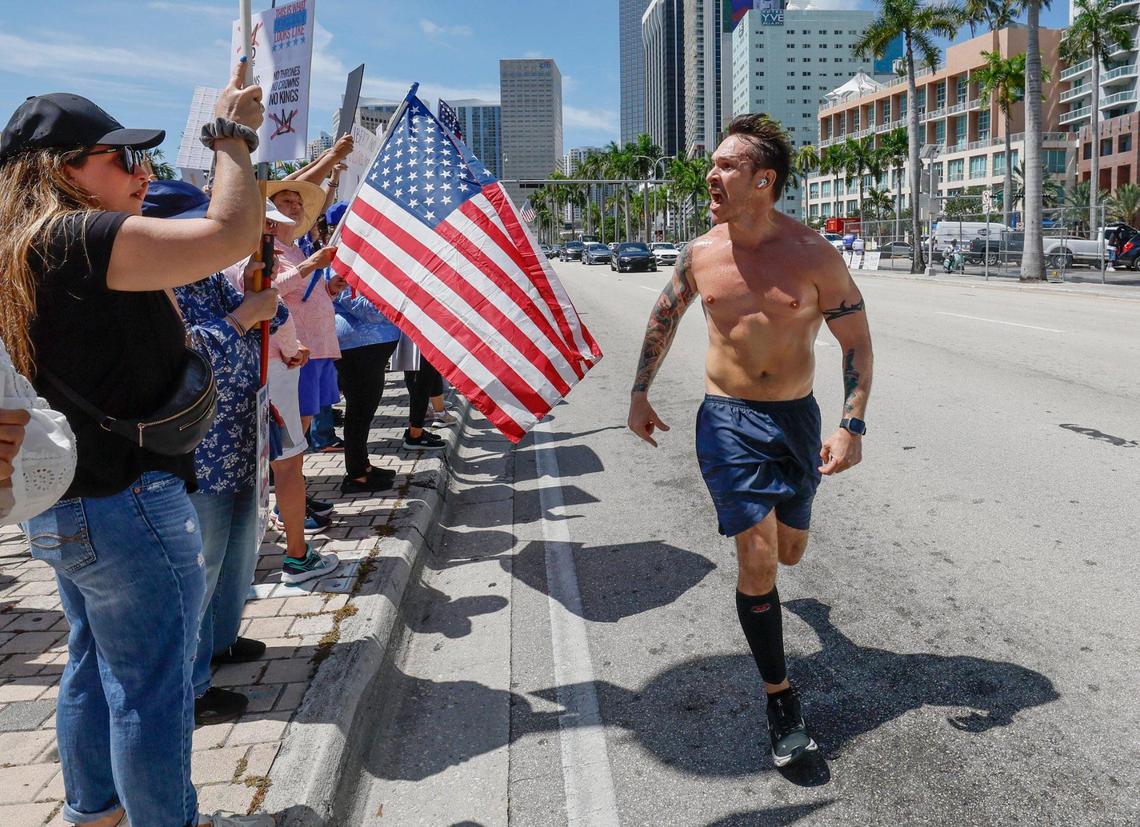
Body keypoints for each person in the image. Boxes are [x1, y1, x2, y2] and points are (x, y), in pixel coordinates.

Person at [0, 61, 274, 827]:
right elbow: (228, 234)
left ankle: (95, 813)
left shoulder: (26, 247)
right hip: (124, 501)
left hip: (68, 501)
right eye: (122, 158)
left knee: (96, 664)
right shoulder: (77, 237)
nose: (141, 171)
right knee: (150, 688)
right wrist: (231, 136)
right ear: (63, 172)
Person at [626, 114, 874, 769]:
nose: (712, 174)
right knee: (759, 556)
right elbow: (664, 316)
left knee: (790, 553)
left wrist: (851, 424)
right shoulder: (701, 254)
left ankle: (809, 622)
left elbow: (856, 340)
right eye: (713, 164)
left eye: (727, 166)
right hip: (728, 421)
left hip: (794, 422)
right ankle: (781, 699)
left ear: (763, 181)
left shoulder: (815, 254)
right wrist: (639, 391)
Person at [143, 180, 288, 725]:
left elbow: (269, 318)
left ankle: (221, 642)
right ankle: (192, 685)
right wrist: (244, 316)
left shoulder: (206, 276)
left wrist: (258, 294)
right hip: (196, 447)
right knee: (199, 566)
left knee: (235, 551)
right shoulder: (156, 282)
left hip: (238, 436)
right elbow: (186, 351)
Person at [224, 209, 340, 585]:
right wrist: (292, 348)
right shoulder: (252, 260)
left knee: (255, 465)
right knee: (287, 463)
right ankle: (296, 556)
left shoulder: (212, 262)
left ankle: (236, 568)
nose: (273, 228)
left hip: (245, 369)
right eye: (268, 221)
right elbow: (272, 310)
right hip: (270, 366)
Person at [332, 284, 401, 493]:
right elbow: (368, 311)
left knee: (363, 412)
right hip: (358, 348)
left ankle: (363, 465)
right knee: (359, 413)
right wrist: (396, 303)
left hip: (367, 348)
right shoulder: (338, 267)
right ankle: (357, 475)